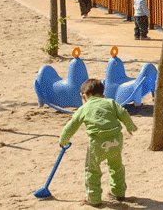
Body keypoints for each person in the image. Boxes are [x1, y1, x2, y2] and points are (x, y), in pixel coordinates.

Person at [59, 79, 138, 207]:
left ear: (83, 96)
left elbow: (71, 125)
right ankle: (118, 191)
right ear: (103, 94)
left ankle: (94, 198)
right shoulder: (110, 102)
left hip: (98, 142)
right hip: (116, 140)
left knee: (92, 170)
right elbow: (123, 113)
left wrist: (63, 140)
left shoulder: (84, 108)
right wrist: (130, 126)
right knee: (116, 166)